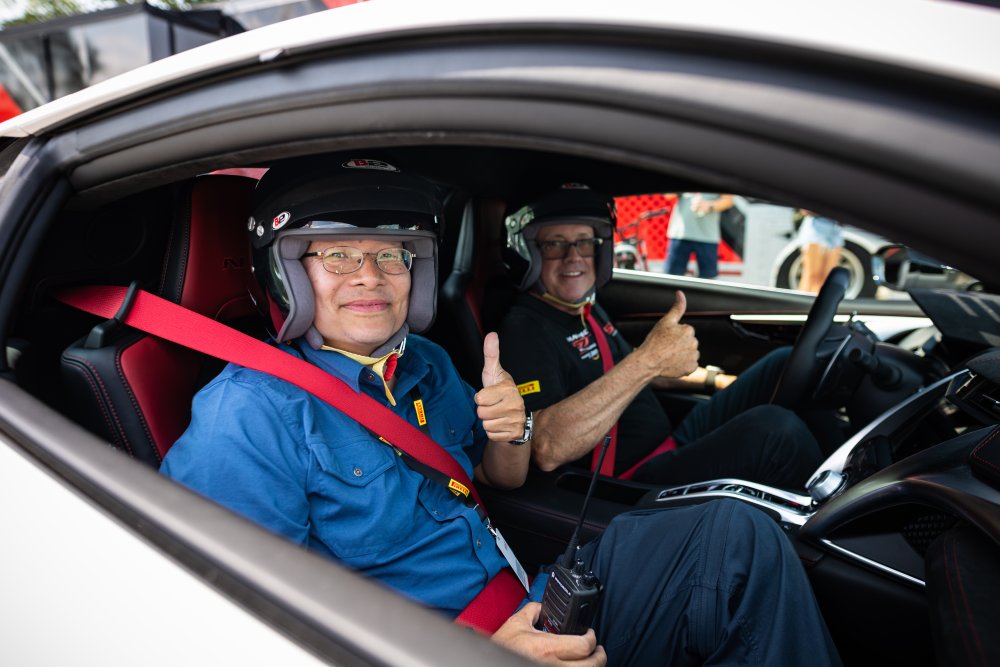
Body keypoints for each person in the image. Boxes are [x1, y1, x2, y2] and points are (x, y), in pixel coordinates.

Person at [161, 158, 841, 666]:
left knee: (733, 534)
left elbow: (502, 478)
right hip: (457, 645)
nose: (369, 275)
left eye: (392, 253)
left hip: (533, 592)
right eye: (337, 254)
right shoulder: (246, 420)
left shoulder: (426, 363)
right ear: (287, 272)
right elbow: (239, 636)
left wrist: (512, 427)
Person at [499, 185, 824, 488]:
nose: (574, 257)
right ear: (530, 253)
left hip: (669, 443)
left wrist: (714, 381)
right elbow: (546, 448)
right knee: (776, 431)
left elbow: (633, 372)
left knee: (785, 364)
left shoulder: (585, 309)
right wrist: (648, 359)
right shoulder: (525, 330)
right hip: (630, 482)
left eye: (584, 242)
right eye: (555, 244)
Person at [664, 192, 732, 278]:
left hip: (707, 236)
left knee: (708, 279)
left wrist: (709, 206)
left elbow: (728, 201)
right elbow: (668, 195)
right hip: (680, 233)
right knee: (672, 277)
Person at [796, 210, 845, 293]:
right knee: (811, 275)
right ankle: (804, 300)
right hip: (816, 225)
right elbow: (804, 210)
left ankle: (819, 300)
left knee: (828, 277)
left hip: (836, 227)